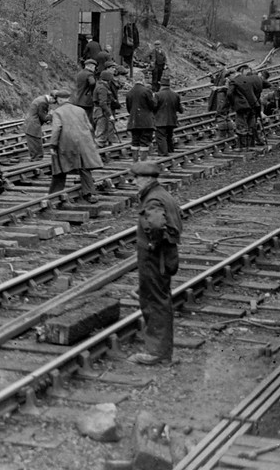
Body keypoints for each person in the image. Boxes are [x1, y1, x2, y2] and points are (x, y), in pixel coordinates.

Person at [128, 162, 181, 366]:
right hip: (164, 255)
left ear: (147, 179)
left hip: (155, 257)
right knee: (159, 299)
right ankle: (160, 350)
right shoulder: (162, 194)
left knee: (154, 301)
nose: (133, 182)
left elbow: (157, 224)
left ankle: (156, 352)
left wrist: (152, 243)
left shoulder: (153, 199)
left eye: (136, 179)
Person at [48, 99, 102, 201]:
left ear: (59, 100)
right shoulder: (80, 110)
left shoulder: (58, 112)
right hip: (83, 142)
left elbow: (56, 129)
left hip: (66, 142)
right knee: (84, 167)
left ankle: (54, 194)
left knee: (59, 166)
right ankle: (90, 194)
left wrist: (53, 145)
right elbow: (89, 126)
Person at [23, 91, 67, 161]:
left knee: (33, 142)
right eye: (55, 102)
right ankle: (36, 159)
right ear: (52, 98)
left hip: (31, 123)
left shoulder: (41, 99)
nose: (54, 104)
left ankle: (36, 158)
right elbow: (43, 117)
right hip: (33, 124)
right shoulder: (43, 103)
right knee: (36, 142)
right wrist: (52, 115)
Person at [229, 64, 261, 148]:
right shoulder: (249, 79)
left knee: (241, 126)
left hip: (242, 107)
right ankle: (251, 145)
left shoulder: (234, 81)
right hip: (253, 105)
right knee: (251, 125)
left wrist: (233, 103)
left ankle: (243, 147)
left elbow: (229, 94)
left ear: (234, 74)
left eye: (229, 76)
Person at [126, 79, 158, 161]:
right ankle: (143, 161)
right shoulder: (147, 91)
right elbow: (153, 105)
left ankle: (135, 161)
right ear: (142, 80)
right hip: (146, 121)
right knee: (144, 142)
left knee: (135, 141)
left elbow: (129, 108)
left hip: (134, 121)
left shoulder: (129, 92)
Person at [153, 77, 183, 156]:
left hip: (160, 120)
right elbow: (180, 109)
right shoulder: (175, 95)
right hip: (172, 120)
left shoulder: (158, 95)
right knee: (169, 135)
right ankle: (170, 150)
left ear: (161, 85)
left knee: (161, 137)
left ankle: (163, 153)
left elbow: (154, 106)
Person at [92, 65, 120, 148]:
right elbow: (103, 103)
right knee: (101, 131)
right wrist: (110, 114)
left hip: (101, 111)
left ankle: (101, 147)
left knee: (103, 130)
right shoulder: (102, 88)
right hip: (101, 112)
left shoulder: (101, 86)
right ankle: (96, 149)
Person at [71, 59, 98, 123]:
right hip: (87, 101)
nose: (95, 69)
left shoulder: (80, 73)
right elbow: (92, 83)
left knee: (80, 118)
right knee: (88, 118)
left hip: (78, 98)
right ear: (91, 66)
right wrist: (92, 91)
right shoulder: (90, 74)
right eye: (94, 67)